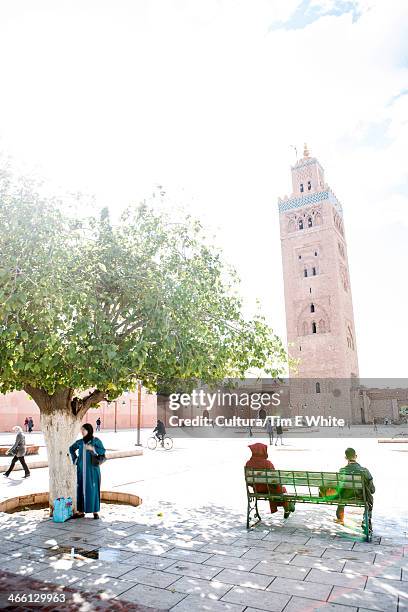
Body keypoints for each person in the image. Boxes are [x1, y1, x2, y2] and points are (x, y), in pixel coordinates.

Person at [245, 443, 295, 519]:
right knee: (281, 491)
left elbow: (248, 482)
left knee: (277, 491)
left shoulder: (248, 463)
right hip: (270, 489)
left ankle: (287, 505)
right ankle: (287, 504)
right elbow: (275, 479)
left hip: (257, 490)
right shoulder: (268, 464)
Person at [69, 423, 106, 519]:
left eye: (83, 430)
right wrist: (76, 460)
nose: (81, 432)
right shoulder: (80, 442)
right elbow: (71, 448)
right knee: (81, 489)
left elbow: (102, 451)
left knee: (93, 490)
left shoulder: (95, 441)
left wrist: (93, 448)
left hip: (92, 470)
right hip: (81, 470)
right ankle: (81, 511)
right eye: (81, 430)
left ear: (88, 430)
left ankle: (95, 511)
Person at [334, 447, 375, 533]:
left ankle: (340, 518)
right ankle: (366, 520)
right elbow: (372, 490)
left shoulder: (342, 471)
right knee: (369, 500)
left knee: (342, 493)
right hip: (360, 496)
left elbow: (339, 487)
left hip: (346, 497)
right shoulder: (364, 471)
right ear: (356, 456)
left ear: (346, 458)